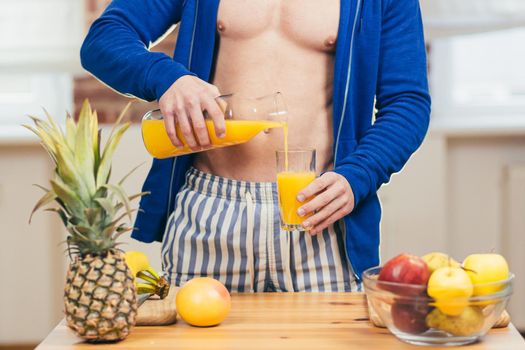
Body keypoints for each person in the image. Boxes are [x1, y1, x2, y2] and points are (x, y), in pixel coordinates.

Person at [80, 0, 431, 293]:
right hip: (210, 213)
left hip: (316, 214)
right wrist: (167, 77)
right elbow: (104, 39)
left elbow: (407, 102)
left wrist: (359, 174)